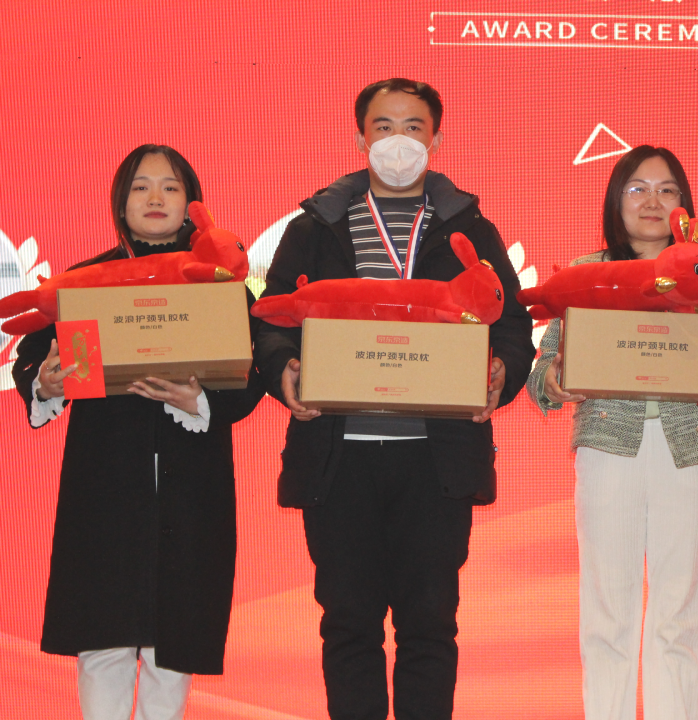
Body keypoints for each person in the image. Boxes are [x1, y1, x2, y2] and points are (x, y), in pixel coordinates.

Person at [253, 78, 534, 720]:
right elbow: (270, 319)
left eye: (413, 127)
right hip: (338, 456)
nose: (397, 141)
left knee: (429, 627)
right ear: (360, 139)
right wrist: (282, 369)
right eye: (383, 127)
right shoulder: (315, 227)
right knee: (348, 625)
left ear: (437, 138)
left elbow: (512, 324)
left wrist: (500, 372)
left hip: (436, 460)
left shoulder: (470, 229)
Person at [10, 144, 264, 720]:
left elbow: (253, 374)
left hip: (192, 479)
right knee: (102, 636)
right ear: (120, 202)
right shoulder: (85, 281)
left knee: (173, 641)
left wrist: (201, 400)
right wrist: (46, 382)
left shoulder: (219, 282)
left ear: (192, 203)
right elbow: (32, 360)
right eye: (140, 186)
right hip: (104, 477)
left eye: (170, 187)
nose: (155, 198)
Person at [526, 145, 698, 720]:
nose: (652, 201)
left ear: (684, 204)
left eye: (666, 190)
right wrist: (553, 381)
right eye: (638, 189)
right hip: (610, 449)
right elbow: (544, 368)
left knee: (678, 616)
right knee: (608, 613)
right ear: (616, 201)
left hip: (688, 452)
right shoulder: (587, 272)